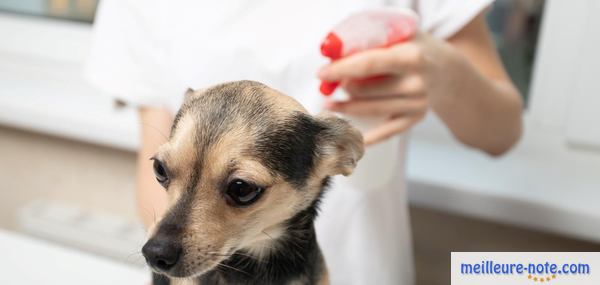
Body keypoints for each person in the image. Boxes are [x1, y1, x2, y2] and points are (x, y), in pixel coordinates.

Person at [86, 0, 523, 284]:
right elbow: (155, 150)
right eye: (167, 170)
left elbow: (502, 133)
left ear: (338, 155)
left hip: (364, 264)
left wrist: (445, 75)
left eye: (240, 189)